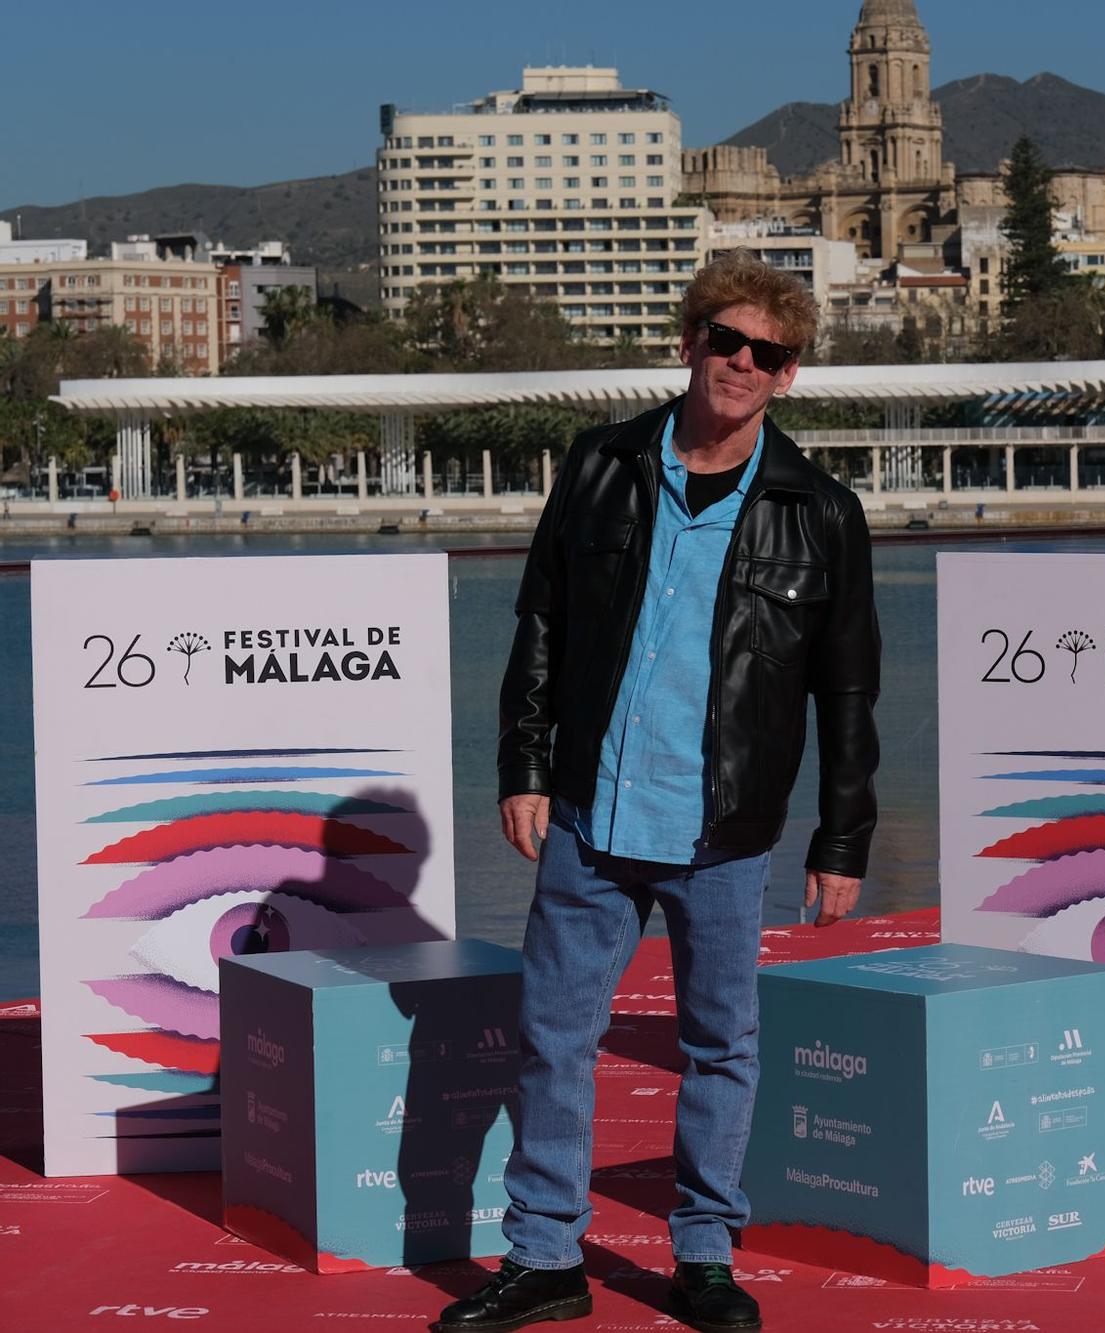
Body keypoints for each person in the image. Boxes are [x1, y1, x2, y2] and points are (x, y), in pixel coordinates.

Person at [438, 251, 880, 1333]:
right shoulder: (601, 465)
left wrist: (843, 840)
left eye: (763, 353)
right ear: (688, 344)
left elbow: (849, 690)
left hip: (725, 830)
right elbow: (539, 621)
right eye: (722, 340)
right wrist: (524, 766)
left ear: (787, 376)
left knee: (721, 1044)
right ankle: (543, 1258)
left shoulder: (819, 511)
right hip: (590, 811)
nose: (737, 362)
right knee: (553, 1039)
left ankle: (703, 1256)